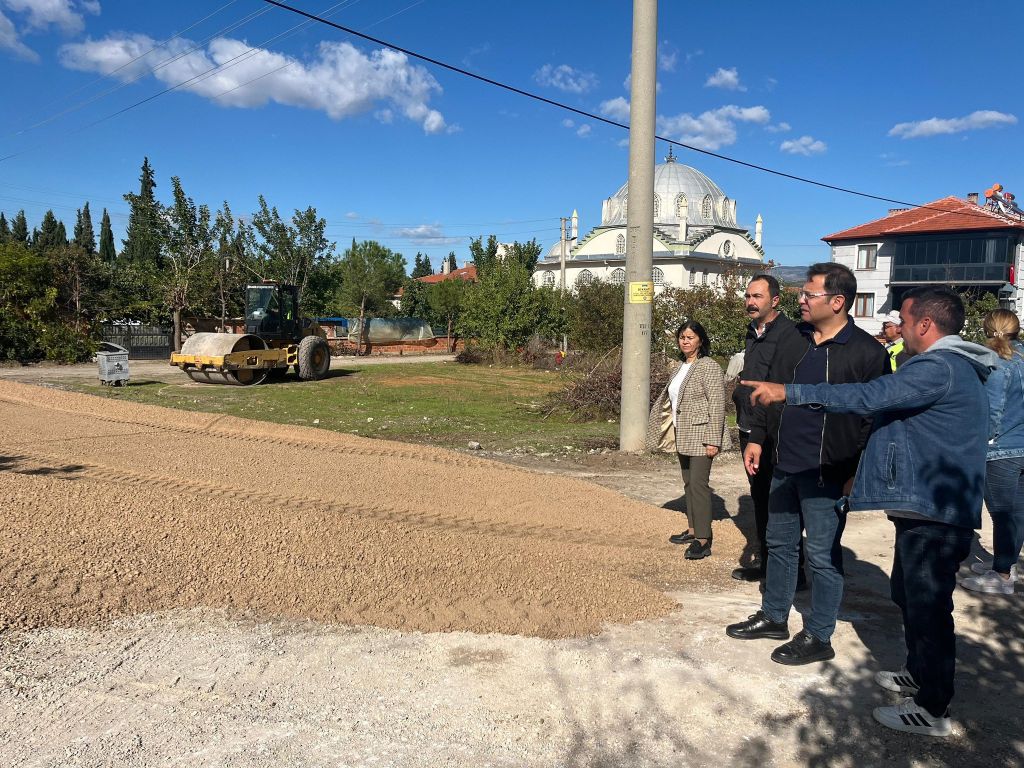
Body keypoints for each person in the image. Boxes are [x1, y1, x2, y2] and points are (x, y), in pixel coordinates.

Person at [740, 286, 997, 737]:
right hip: (923, 505)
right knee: (909, 597)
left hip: (936, 508)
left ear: (924, 325)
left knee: (928, 608)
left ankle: (932, 708)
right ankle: (917, 673)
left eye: (903, 316)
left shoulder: (940, 367)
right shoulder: (948, 368)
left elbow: (868, 396)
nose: (895, 323)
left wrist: (789, 392)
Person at [725, 263, 888, 666]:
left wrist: (855, 472)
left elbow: (875, 419)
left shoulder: (867, 353)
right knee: (779, 544)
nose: (801, 300)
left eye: (808, 294)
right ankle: (775, 615)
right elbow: (768, 392)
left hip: (829, 471)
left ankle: (819, 634)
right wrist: (759, 439)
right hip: (784, 463)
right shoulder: (793, 340)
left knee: (821, 555)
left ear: (836, 301)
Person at [730, 274, 807, 585]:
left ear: (775, 300)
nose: (750, 302)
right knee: (760, 497)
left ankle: (794, 570)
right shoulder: (753, 332)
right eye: (748, 296)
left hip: (774, 431)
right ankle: (767, 564)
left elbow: (784, 385)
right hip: (749, 428)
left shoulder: (791, 334)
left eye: (757, 296)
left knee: (783, 502)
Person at [647, 320, 729, 560]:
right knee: (688, 484)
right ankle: (693, 529)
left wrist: (713, 439)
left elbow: (717, 404)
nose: (685, 341)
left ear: (700, 340)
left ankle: (703, 539)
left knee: (698, 485)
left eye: (690, 337)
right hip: (682, 433)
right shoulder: (680, 366)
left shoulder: (708, 366)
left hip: (702, 435)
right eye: (682, 337)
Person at [961, 309, 1024, 596]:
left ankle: (1002, 575)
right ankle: (1005, 563)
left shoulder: (999, 362)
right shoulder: (1021, 358)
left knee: (1002, 513)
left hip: (1002, 449)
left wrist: (981, 442)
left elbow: (993, 410)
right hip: (1020, 446)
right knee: (1017, 512)